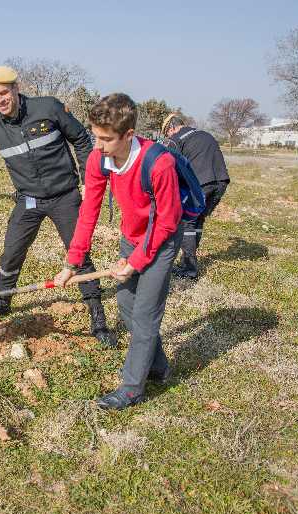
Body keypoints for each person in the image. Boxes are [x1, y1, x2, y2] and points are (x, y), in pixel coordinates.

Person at [0, 65, 116, 348]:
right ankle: (3, 301)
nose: (0, 100)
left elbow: (82, 139)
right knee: (10, 255)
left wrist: (87, 178)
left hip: (65, 196)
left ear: (16, 89)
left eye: (4, 93)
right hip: (29, 200)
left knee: (79, 256)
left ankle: (98, 320)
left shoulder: (49, 108)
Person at [55, 93, 184, 410]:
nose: (97, 145)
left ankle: (131, 388)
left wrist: (137, 261)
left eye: (106, 139)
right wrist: (74, 261)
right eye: (94, 136)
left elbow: (167, 221)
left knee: (144, 314)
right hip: (131, 236)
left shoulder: (159, 163)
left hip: (161, 239)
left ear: (128, 135)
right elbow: (89, 211)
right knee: (126, 304)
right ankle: (157, 367)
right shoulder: (98, 159)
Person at [160, 114, 230, 280]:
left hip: (200, 184)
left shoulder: (176, 140)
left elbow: (170, 167)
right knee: (198, 220)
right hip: (220, 182)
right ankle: (188, 261)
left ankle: (189, 268)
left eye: (167, 134)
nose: (168, 137)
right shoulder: (205, 134)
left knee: (187, 222)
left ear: (171, 128)